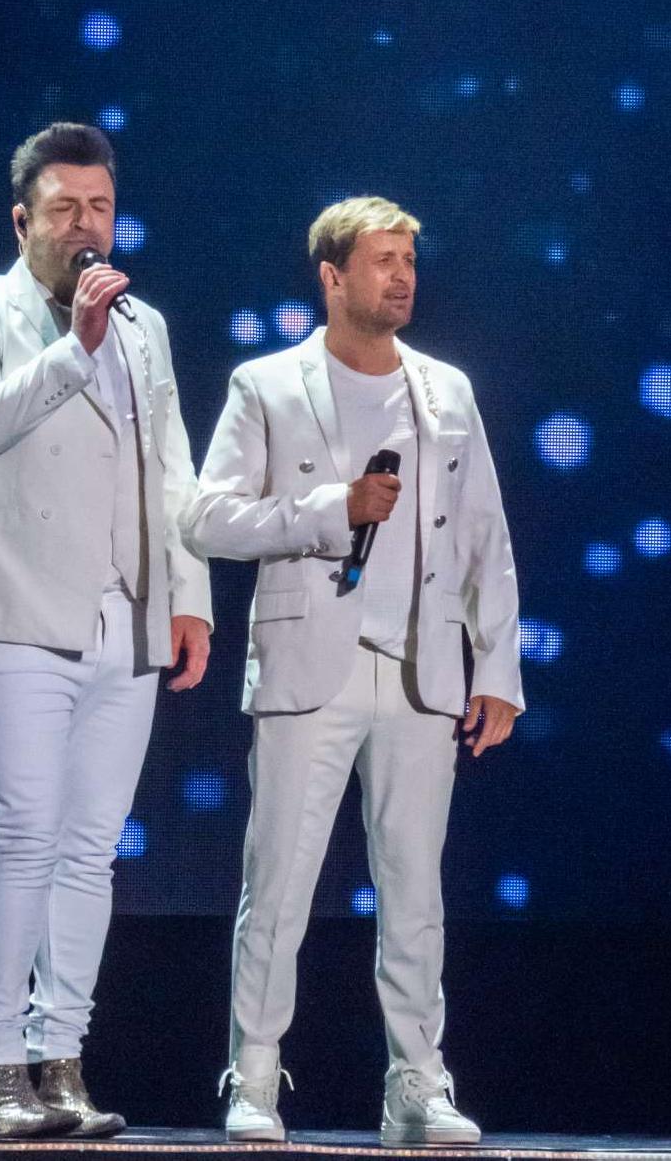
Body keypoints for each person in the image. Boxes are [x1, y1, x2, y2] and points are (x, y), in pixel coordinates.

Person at [183, 196, 523, 1145]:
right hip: (309, 665)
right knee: (280, 881)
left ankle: (417, 1082)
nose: (402, 276)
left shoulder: (446, 389)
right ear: (331, 277)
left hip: (420, 672)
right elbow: (207, 518)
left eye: (409, 259)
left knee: (416, 890)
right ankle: (254, 1077)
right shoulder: (267, 384)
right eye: (382, 260)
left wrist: (496, 666)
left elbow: (485, 539)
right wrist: (331, 507)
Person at [0, 123, 213, 1139]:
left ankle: (60, 1058)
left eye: (97, 207)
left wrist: (188, 597)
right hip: (12, 610)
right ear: (22, 219)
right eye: (62, 209)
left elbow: (169, 464)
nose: (84, 226)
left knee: (91, 848)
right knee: (25, 831)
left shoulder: (145, 327)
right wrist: (69, 348)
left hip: (119, 614)